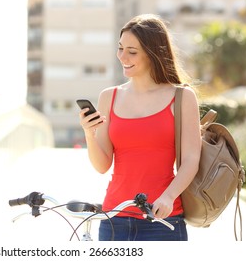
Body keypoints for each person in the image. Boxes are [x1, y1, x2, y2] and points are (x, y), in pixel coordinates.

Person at [78, 14, 201, 241]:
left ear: (152, 53)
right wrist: (89, 132)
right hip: (113, 217)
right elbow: (102, 165)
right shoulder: (109, 97)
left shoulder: (181, 97)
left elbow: (192, 159)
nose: (123, 57)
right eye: (120, 48)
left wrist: (168, 196)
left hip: (163, 219)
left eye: (132, 51)